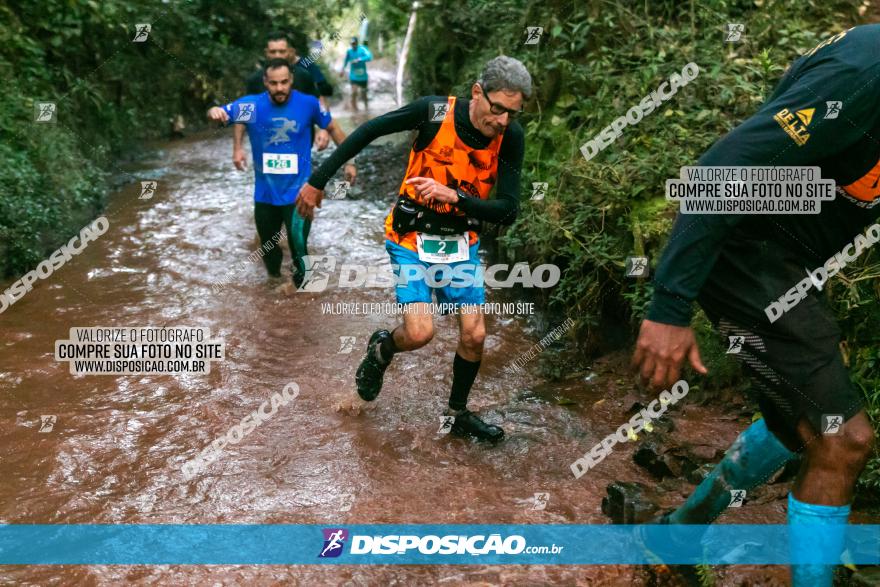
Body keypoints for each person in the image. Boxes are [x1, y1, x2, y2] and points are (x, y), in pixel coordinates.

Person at [631, 24, 879, 586]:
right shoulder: (864, 73)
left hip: (789, 265)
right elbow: (719, 174)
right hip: (746, 249)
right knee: (843, 440)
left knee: (798, 427)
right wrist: (669, 307)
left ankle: (677, 534)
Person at [296, 56, 530, 441]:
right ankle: (382, 349)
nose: (503, 120)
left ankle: (457, 414)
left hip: (460, 240)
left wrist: (455, 198)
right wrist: (318, 180)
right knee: (420, 333)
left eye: (513, 112)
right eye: (498, 108)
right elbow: (368, 131)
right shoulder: (435, 112)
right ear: (477, 92)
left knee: (474, 335)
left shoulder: (511, 137)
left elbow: (507, 209)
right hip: (410, 237)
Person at [208, 59, 356, 286]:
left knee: (299, 249)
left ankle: (301, 300)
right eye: (274, 83)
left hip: (300, 194)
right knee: (268, 251)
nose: (280, 88)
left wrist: (350, 161)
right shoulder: (252, 106)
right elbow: (219, 113)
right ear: (265, 82)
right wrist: (215, 112)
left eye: (284, 82)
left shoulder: (309, 104)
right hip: (265, 195)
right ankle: (275, 287)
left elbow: (333, 128)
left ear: (292, 80)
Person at [340, 36, 372, 111]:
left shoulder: (362, 49)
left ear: (357, 43)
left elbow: (369, 57)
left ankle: (367, 109)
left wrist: (359, 59)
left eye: (354, 43)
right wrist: (342, 70)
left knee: (364, 94)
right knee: (354, 92)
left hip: (363, 76)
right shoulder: (349, 51)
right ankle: (355, 110)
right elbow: (346, 61)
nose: (353, 45)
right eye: (352, 44)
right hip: (353, 76)